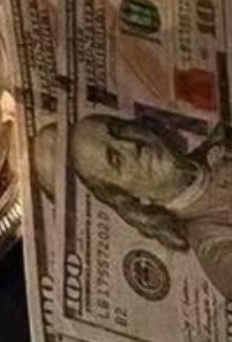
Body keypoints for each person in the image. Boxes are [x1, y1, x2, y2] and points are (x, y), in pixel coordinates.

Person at [71, 113, 232, 299]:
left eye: (119, 130)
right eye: (116, 159)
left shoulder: (221, 134)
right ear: (132, 198)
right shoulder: (215, 249)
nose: (131, 145)